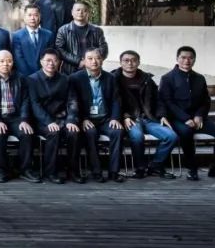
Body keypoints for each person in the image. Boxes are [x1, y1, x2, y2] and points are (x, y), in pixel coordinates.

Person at [160, 46, 215, 181]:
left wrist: (199, 115)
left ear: (194, 60)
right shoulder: (167, 78)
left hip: (198, 118)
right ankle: (192, 168)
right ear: (177, 59)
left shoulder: (199, 78)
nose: (187, 61)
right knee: (186, 131)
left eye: (190, 58)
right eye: (183, 57)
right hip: (178, 119)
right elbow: (167, 102)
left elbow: (205, 100)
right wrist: (185, 118)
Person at [114, 50, 177, 179]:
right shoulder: (113, 79)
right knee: (137, 137)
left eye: (134, 60)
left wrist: (162, 115)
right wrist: (124, 117)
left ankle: (155, 166)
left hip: (149, 118)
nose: (130, 63)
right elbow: (113, 102)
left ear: (138, 62)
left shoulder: (147, 79)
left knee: (171, 136)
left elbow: (158, 100)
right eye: (126, 60)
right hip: (130, 119)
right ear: (120, 63)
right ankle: (140, 168)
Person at [0, 51, 38, 183]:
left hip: (15, 117)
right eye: (1, 61)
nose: (6, 64)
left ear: (13, 62)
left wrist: (24, 119)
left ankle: (26, 169)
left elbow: (25, 101)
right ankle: (1, 170)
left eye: (9, 61)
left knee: (26, 133)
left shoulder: (21, 78)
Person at [69, 48, 125, 183]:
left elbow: (116, 100)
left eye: (98, 58)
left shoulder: (111, 78)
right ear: (84, 60)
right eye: (90, 58)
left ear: (102, 60)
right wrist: (82, 119)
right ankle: (96, 172)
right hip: (87, 119)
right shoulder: (75, 78)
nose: (94, 61)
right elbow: (73, 102)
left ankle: (114, 172)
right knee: (90, 133)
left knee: (118, 131)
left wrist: (115, 118)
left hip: (105, 118)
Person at [27, 49, 79, 184]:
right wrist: (48, 122)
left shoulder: (65, 79)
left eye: (55, 60)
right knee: (53, 132)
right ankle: (50, 172)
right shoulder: (32, 79)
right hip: (41, 121)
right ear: (41, 62)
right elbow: (35, 105)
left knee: (73, 132)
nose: (51, 63)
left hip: (62, 118)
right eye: (48, 60)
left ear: (60, 63)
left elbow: (72, 101)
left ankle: (73, 171)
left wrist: (71, 120)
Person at [54, 1, 109, 75]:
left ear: (88, 13)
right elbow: (59, 50)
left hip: (93, 70)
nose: (80, 12)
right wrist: (78, 61)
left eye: (84, 10)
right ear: (72, 12)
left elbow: (104, 49)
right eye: (78, 10)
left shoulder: (97, 31)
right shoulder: (63, 30)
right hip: (69, 70)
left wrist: (91, 60)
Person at [11, 5, 53, 78]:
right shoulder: (16, 36)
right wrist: (31, 77)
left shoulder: (48, 35)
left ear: (40, 17)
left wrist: (43, 74)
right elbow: (19, 59)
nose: (32, 18)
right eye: (29, 15)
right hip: (24, 77)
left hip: (44, 75)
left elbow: (50, 56)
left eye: (35, 15)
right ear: (24, 17)